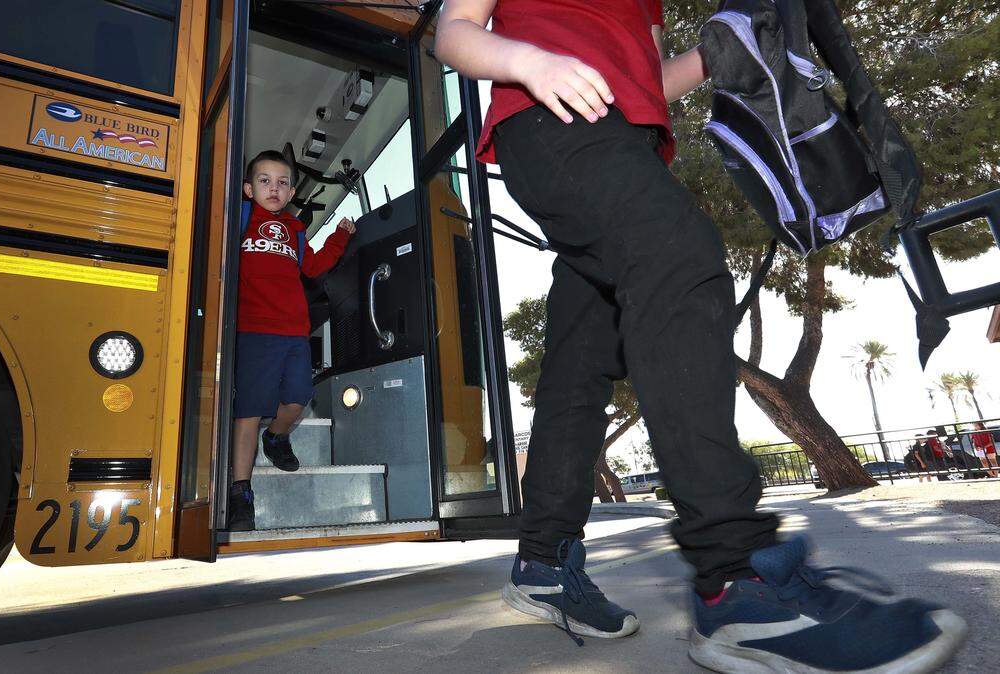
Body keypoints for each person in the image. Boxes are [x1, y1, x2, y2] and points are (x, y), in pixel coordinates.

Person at [435, 1, 967, 671]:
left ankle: (543, 560)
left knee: (582, 357)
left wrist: (718, 51)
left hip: (627, 145)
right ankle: (736, 579)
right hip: (549, 123)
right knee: (680, 259)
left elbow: (648, 82)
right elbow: (453, 33)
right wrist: (528, 62)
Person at [228, 149, 356, 531]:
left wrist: (340, 236)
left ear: (291, 191)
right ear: (249, 189)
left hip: (294, 333)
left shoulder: (295, 231)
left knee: (298, 399)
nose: (274, 188)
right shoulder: (241, 218)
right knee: (247, 412)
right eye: (265, 181)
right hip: (252, 331)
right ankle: (240, 494)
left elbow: (314, 267)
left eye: (282, 183)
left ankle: (277, 437)